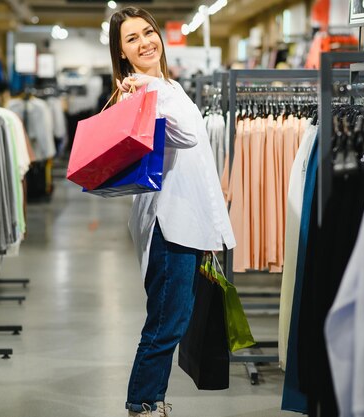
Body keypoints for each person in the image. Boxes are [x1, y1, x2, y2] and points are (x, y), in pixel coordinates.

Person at [108, 6, 237, 417]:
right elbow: (184, 138)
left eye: (148, 32)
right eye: (132, 39)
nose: (145, 42)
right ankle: (142, 405)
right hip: (170, 222)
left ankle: (151, 401)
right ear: (122, 52)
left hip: (185, 218)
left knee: (173, 319)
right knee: (166, 323)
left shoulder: (167, 86)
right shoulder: (148, 90)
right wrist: (146, 101)